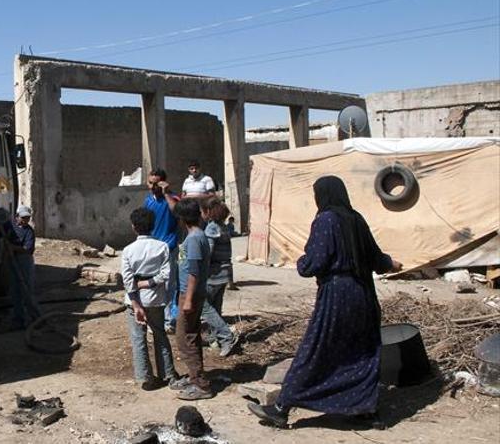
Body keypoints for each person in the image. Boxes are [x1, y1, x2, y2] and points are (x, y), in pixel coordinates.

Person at [247, 176, 402, 428]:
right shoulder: (356, 219)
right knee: (361, 351)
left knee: (316, 349)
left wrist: (301, 262)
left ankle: (280, 407)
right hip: (362, 294)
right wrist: (390, 262)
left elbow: (314, 263)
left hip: (336, 296)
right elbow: (376, 258)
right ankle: (365, 408)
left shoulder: (325, 220)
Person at [121, 208, 178, 391]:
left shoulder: (128, 250)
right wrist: (149, 283)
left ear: (133, 227)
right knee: (160, 335)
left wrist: (136, 302)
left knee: (139, 339)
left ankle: (144, 377)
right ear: (153, 226)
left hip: (134, 302)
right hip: (155, 300)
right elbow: (166, 274)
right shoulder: (162, 247)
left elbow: (128, 280)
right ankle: (168, 374)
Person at [170, 198, 215, 400]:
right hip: (190, 293)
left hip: (190, 294)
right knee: (191, 335)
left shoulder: (195, 239)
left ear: (182, 218)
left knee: (184, 338)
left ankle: (201, 385)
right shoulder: (195, 236)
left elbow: (194, 272)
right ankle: (194, 375)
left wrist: (187, 300)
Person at [199, 199, 239, 357]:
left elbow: (208, 253)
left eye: (203, 211)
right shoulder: (224, 228)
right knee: (216, 307)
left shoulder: (211, 228)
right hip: (223, 274)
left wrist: (201, 271)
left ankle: (226, 336)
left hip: (213, 274)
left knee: (205, 307)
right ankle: (214, 340)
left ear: (209, 212)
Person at [143, 169, 181, 333]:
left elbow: (176, 212)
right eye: (150, 183)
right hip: (152, 249)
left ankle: (168, 321)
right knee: (152, 284)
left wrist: (166, 193)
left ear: (163, 183)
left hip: (168, 248)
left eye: (156, 183)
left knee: (169, 286)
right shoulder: (148, 201)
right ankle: (154, 319)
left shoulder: (172, 199)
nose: (153, 187)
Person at [10, 204, 38, 329]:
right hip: (13, 260)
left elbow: (27, 249)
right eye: (23, 218)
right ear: (17, 216)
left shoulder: (29, 231)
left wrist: (12, 248)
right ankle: (18, 320)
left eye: (27, 218)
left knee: (27, 290)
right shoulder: (10, 226)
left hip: (25, 261)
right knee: (15, 291)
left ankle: (35, 318)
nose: (26, 220)